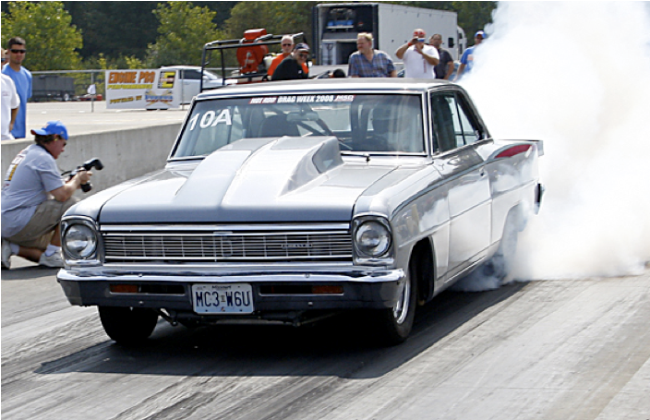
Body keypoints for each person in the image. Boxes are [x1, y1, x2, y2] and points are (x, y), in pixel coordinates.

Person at [1, 121, 93, 269]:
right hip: (18, 221)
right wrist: (78, 179)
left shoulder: (29, 152)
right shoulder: (43, 158)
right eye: (64, 144)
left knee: (53, 244)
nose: (63, 150)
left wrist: (68, 181)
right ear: (55, 138)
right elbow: (62, 196)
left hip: (8, 221)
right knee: (73, 205)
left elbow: (51, 188)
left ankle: (11, 247)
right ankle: (51, 255)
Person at [2, 37, 32, 139]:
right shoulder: (3, 74)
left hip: (21, 132)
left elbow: (20, 102)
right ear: (9, 52)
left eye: (22, 51)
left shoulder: (27, 75)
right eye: (15, 51)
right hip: (5, 133)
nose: (18, 54)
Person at [2, 48, 21, 140]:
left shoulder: (7, 81)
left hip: (4, 136)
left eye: (2, 60)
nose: (1, 64)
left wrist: (11, 123)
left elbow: (15, 105)